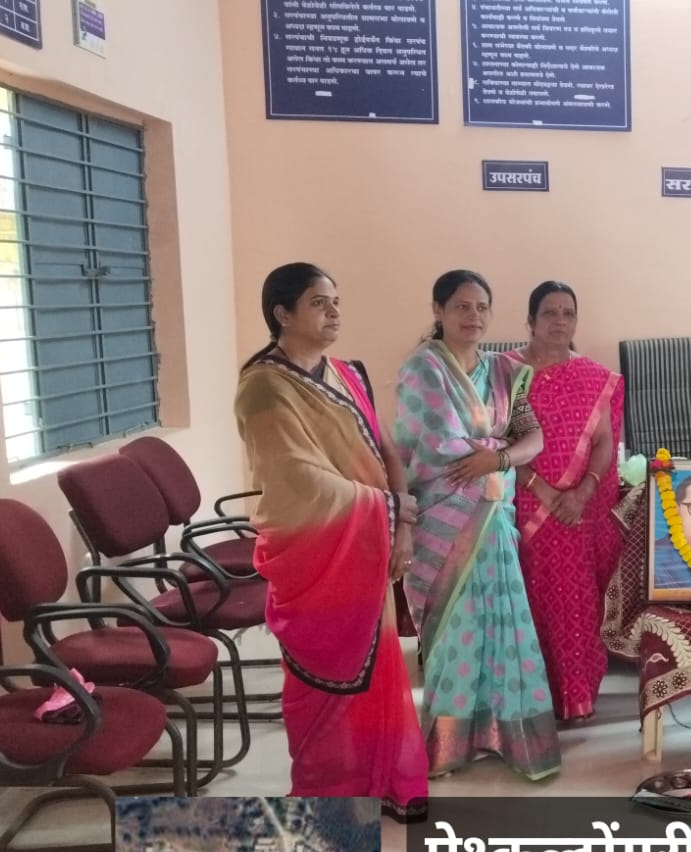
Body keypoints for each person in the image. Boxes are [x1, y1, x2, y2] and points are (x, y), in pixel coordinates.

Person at [233, 262, 428, 821]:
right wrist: (389, 509)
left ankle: (385, 778)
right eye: (319, 303)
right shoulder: (263, 388)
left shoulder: (346, 373)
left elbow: (386, 451)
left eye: (336, 301)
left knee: (380, 666)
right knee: (324, 683)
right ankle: (329, 794)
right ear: (282, 313)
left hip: (367, 545)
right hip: (315, 552)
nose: (335, 312)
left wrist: (401, 526)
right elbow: (297, 478)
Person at [394, 270, 559, 780]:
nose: (474, 316)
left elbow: (533, 438)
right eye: (462, 306)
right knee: (457, 631)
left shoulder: (505, 371)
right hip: (445, 518)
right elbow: (439, 444)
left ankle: (501, 735)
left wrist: (500, 459)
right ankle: (448, 744)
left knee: (504, 626)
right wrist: (500, 449)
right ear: (438, 310)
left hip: (493, 513)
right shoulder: (422, 369)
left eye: (482, 307)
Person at [507, 281, 623, 724]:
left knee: (575, 602)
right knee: (527, 601)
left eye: (568, 313)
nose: (560, 321)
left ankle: (576, 694)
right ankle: (531, 700)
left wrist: (582, 492)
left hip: (577, 510)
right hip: (521, 505)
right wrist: (541, 488)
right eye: (549, 313)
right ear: (530, 320)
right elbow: (496, 440)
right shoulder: (505, 373)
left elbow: (604, 441)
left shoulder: (593, 376)